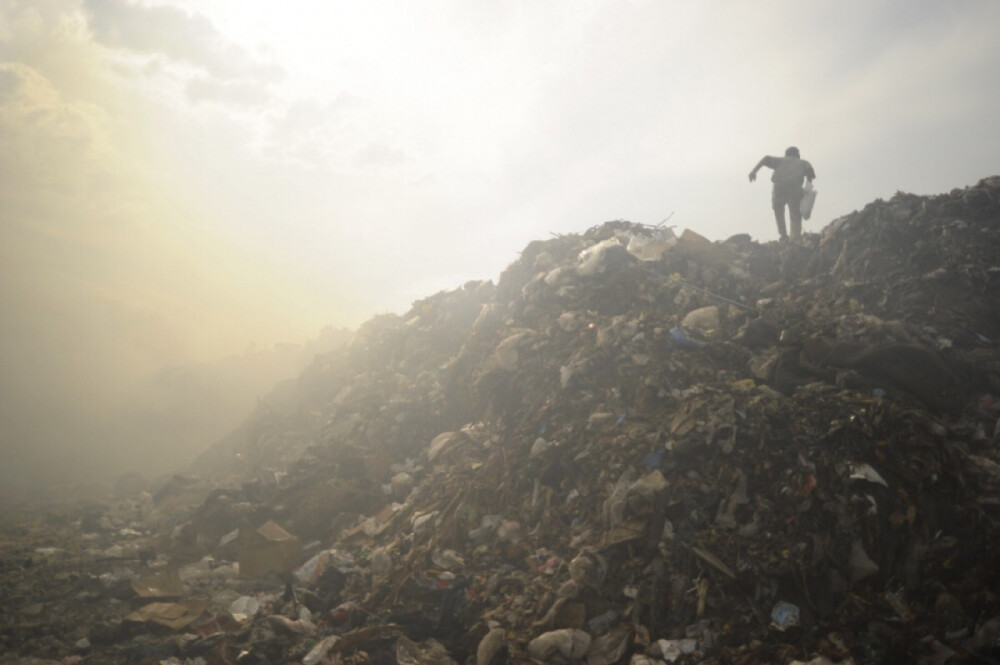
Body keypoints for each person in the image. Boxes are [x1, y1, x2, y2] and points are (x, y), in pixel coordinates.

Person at [748, 147, 816, 241]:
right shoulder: (803, 162)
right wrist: (807, 191)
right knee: (795, 214)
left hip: (779, 186)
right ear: (798, 155)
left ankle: (783, 235)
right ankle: (795, 238)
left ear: (786, 155)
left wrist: (754, 171)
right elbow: (810, 174)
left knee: (778, 209)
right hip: (795, 187)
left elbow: (766, 158)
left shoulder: (780, 160)